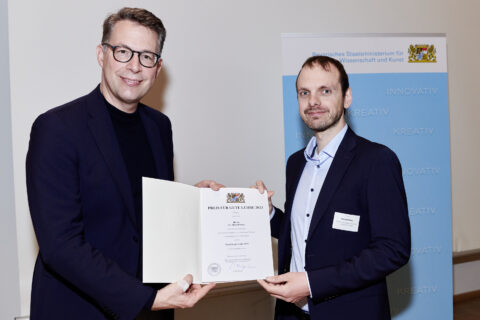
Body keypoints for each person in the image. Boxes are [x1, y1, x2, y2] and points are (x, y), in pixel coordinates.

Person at [26, 7, 220, 320]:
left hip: (153, 309)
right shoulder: (57, 128)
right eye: (123, 51)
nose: (134, 66)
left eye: (146, 56)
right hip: (81, 309)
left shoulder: (159, 126)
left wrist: (191, 201)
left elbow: (143, 211)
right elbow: (60, 245)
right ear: (102, 55)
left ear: (157, 68)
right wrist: (145, 299)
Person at [256, 55, 411, 319]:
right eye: (304, 93)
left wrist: (312, 284)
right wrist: (269, 214)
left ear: (347, 97)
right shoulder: (296, 163)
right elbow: (303, 234)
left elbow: (392, 249)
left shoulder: (376, 160)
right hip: (291, 313)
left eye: (325, 91)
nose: (313, 101)